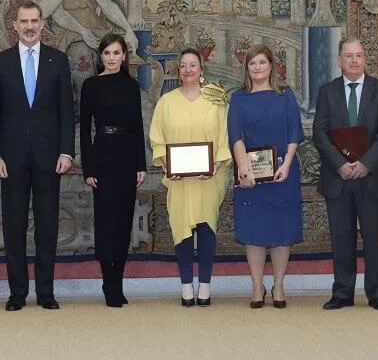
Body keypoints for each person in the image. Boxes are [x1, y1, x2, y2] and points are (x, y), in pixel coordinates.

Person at [0, 2, 74, 311]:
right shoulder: (0, 62)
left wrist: (67, 150)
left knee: (47, 225)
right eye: (23, 21)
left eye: (34, 20)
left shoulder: (58, 60)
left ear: (42, 23)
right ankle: (17, 293)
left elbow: (67, 110)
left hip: (50, 158)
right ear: (15, 25)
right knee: (14, 226)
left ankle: (46, 292)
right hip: (11, 160)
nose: (29, 26)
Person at [312, 38, 378, 311]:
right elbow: (320, 134)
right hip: (338, 177)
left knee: (374, 238)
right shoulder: (327, 91)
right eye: (349, 55)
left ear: (365, 58)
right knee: (342, 236)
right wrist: (340, 164)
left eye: (359, 55)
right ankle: (343, 293)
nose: (354, 60)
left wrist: (365, 164)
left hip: (372, 176)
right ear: (339, 59)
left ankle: (377, 293)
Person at [149, 48, 231, 307]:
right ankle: (186, 285)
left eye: (193, 65)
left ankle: (204, 286)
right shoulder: (166, 102)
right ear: (178, 70)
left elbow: (225, 137)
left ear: (202, 69)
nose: (187, 70)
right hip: (179, 181)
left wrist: (215, 166)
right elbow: (157, 139)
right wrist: (168, 165)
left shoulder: (216, 101)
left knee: (206, 229)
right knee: (182, 231)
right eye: (183, 65)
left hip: (210, 179)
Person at [227, 44, 304, 309]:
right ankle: (258, 286)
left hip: (284, 173)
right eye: (252, 63)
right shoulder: (238, 99)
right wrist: (243, 168)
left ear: (271, 65)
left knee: (282, 231)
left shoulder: (286, 96)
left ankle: (279, 286)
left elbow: (294, 133)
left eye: (262, 62)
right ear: (246, 69)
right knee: (254, 230)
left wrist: (288, 164)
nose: (257, 67)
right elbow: (235, 136)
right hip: (251, 176)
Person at [80, 33, 147, 307]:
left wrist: (141, 165)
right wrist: (88, 168)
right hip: (102, 155)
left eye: (116, 53)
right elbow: (84, 130)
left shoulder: (131, 86)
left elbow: (137, 126)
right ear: (101, 56)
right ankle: (108, 281)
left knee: (122, 223)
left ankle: (118, 281)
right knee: (105, 223)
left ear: (124, 56)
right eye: (107, 53)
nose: (111, 58)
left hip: (127, 158)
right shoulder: (90, 86)